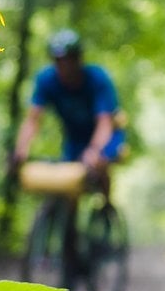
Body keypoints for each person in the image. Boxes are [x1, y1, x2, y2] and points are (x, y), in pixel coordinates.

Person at [12, 29, 126, 190]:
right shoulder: (46, 80)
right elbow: (33, 119)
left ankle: (106, 206)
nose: (64, 66)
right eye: (59, 60)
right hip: (75, 137)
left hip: (107, 136)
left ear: (79, 59)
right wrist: (21, 149)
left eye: (69, 59)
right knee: (66, 183)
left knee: (98, 163)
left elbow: (105, 123)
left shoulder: (98, 78)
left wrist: (94, 150)